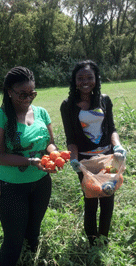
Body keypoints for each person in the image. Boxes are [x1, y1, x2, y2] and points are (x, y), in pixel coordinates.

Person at [0, 66, 59, 266]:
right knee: (13, 242)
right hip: (11, 188)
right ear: (9, 92)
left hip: (41, 184)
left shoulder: (42, 113)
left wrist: (55, 154)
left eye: (32, 93)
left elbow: (48, 143)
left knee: (33, 233)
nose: (28, 98)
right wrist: (30, 161)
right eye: (23, 94)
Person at [60, 60, 126, 247]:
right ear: (74, 81)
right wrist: (73, 158)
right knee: (90, 200)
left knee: (107, 197)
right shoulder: (68, 105)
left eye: (89, 77)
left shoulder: (104, 100)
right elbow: (70, 138)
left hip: (107, 158)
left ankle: (103, 240)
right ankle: (91, 241)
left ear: (96, 78)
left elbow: (112, 129)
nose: (85, 81)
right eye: (80, 78)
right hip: (85, 162)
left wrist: (118, 147)